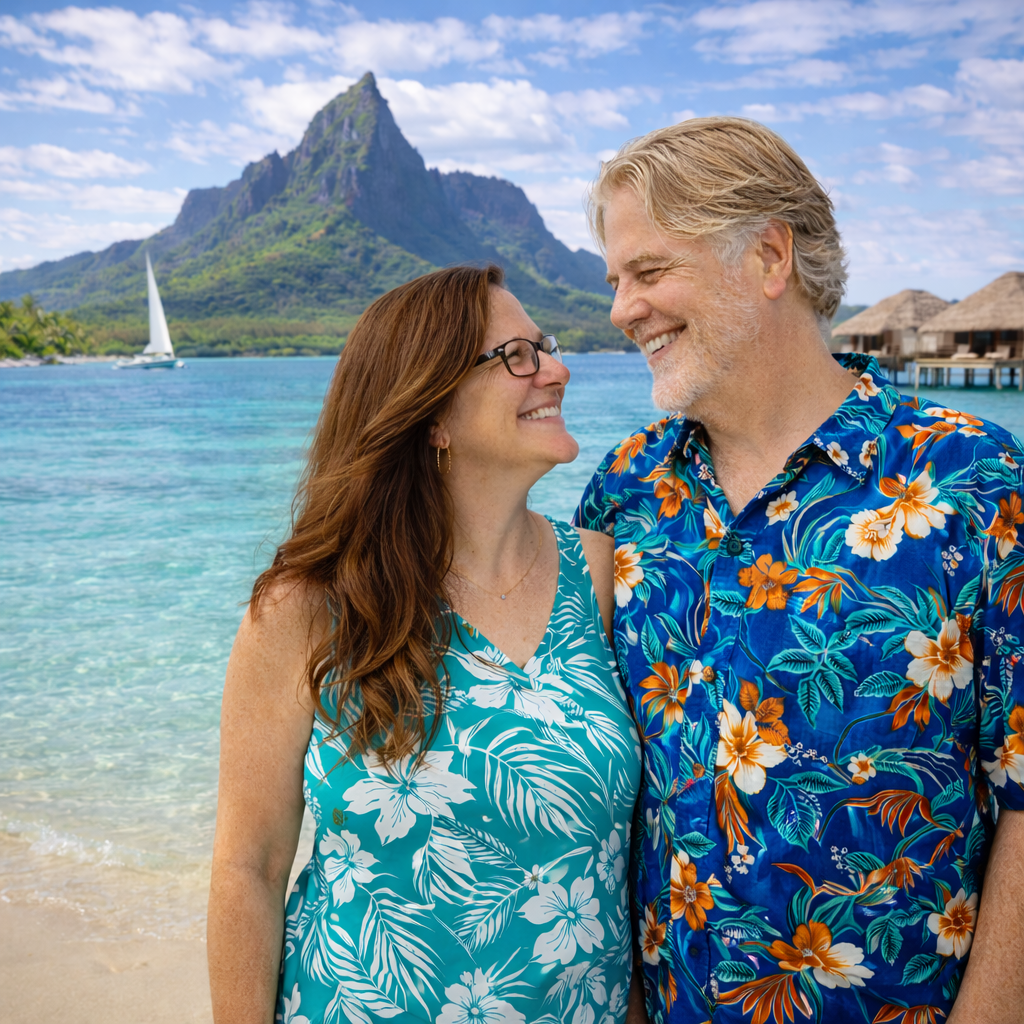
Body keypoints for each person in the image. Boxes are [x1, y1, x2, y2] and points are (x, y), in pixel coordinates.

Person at [574, 117, 1024, 1024]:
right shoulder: (625, 490)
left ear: (769, 256)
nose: (622, 310)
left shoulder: (976, 484)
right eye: (615, 281)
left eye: (650, 272)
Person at [207, 264, 643, 1024]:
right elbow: (251, 866)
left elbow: (631, 865)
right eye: (518, 356)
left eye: (547, 346)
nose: (558, 370)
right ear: (431, 412)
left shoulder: (602, 576)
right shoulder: (308, 609)